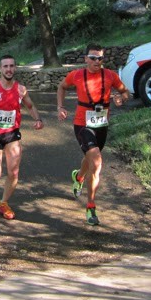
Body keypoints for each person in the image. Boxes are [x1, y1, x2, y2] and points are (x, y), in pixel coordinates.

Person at [57, 44, 130, 226]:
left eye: (100, 58)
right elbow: (62, 87)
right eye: (93, 58)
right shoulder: (77, 75)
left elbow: (125, 91)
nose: (97, 61)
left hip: (101, 125)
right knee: (96, 161)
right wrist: (60, 106)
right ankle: (91, 207)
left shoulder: (110, 76)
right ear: (86, 59)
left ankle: (79, 177)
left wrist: (121, 99)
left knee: (90, 160)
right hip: (83, 124)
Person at [0, 55, 44, 220]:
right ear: (0, 69)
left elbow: (30, 105)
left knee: (13, 172)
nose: (9, 69)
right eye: (5, 66)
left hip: (12, 135)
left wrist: (38, 119)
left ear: (15, 68)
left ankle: (3, 202)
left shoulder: (21, 89)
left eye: (11, 66)